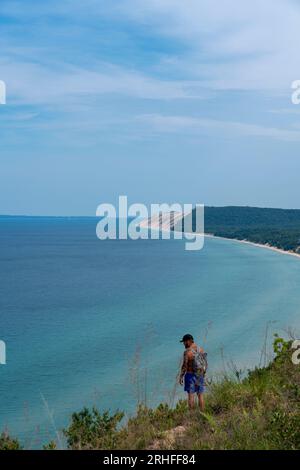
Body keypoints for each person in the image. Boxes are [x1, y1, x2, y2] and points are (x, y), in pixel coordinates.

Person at [179, 334, 205, 411]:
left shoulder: (187, 352)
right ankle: (203, 413)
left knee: (191, 396)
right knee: (200, 395)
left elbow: (184, 366)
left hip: (190, 375)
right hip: (200, 374)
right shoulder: (201, 349)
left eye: (184, 342)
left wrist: (181, 376)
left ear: (188, 341)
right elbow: (204, 362)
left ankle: (192, 416)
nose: (183, 344)